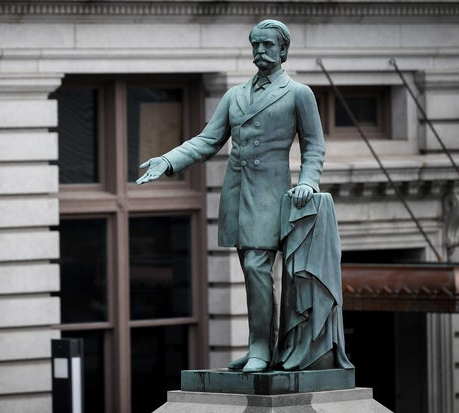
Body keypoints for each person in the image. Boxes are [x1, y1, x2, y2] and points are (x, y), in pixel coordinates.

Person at [136, 19, 325, 373]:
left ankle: (262, 348)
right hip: (238, 193)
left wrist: (308, 182)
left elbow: (314, 146)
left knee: (258, 267)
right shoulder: (234, 95)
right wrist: (168, 160)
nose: (260, 52)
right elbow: (207, 141)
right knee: (251, 270)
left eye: (268, 45)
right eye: (255, 45)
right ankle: (262, 347)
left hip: (273, 194)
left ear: (283, 50)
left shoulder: (299, 93)